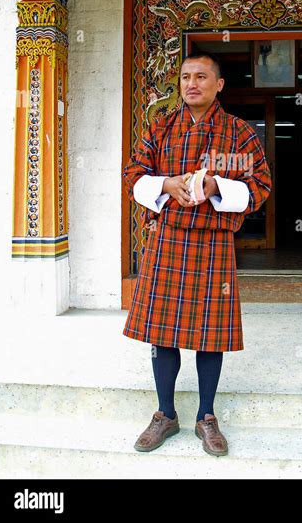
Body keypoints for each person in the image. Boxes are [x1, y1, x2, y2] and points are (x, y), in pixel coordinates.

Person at [122, 51, 272, 457]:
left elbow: (260, 186)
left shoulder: (240, 133)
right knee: (161, 333)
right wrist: (166, 183)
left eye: (202, 76)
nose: (192, 83)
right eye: (186, 76)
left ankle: (206, 416)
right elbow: (133, 175)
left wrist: (217, 187)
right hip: (167, 239)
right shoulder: (160, 128)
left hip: (213, 243)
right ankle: (165, 414)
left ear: (218, 84)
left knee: (211, 335)